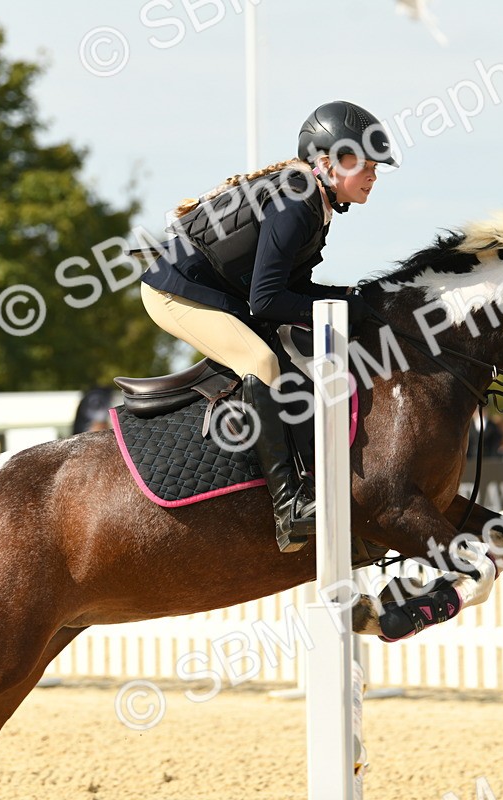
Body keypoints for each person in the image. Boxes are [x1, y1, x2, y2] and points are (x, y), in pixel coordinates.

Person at [138, 100, 398, 553]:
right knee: (259, 359)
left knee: (293, 364)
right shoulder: (297, 202)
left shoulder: (314, 203)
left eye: (376, 166)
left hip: (216, 293)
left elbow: (291, 289)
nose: (374, 176)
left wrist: (352, 299)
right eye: (366, 165)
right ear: (328, 163)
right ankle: (289, 505)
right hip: (174, 293)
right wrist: (343, 302)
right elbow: (266, 300)